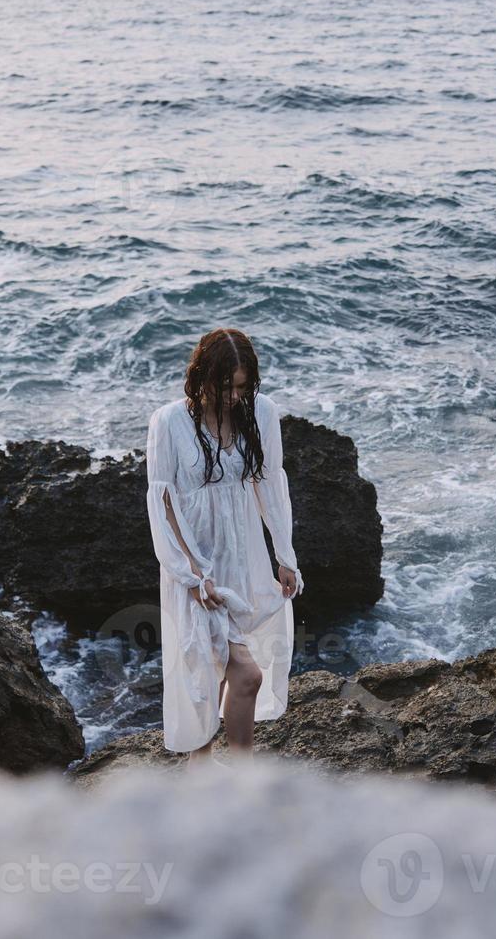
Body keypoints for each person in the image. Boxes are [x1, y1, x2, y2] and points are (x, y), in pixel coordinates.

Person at [144, 327, 304, 769]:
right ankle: (241, 775)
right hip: (195, 563)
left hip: (242, 558)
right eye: (227, 386)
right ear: (203, 377)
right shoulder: (169, 422)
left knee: (217, 665)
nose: (236, 395)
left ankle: (202, 765)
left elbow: (270, 485)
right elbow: (164, 504)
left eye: (244, 386)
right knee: (243, 674)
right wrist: (193, 574)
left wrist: (284, 555)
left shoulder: (261, 413)